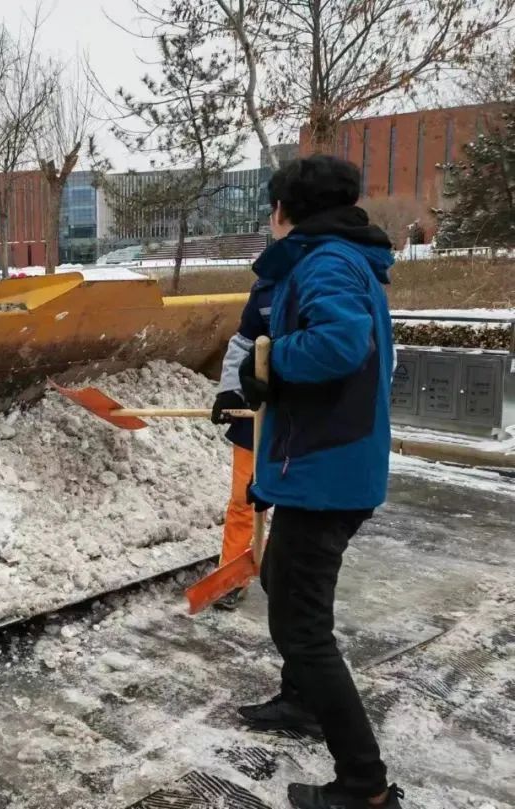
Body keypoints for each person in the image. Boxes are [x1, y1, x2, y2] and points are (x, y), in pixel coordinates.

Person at [235, 155, 404, 809]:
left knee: (302, 626)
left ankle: (364, 784)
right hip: (328, 462)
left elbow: (339, 343)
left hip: (328, 472)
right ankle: (302, 699)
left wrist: (271, 364)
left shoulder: (325, 261)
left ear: (284, 211)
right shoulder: (338, 256)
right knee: (282, 579)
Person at [209, 277, 272, 610]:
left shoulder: (326, 279)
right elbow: (244, 342)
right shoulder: (267, 287)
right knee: (241, 500)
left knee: (296, 502)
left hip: (300, 418)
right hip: (254, 415)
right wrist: (230, 390)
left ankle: (286, 571)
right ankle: (232, 576)